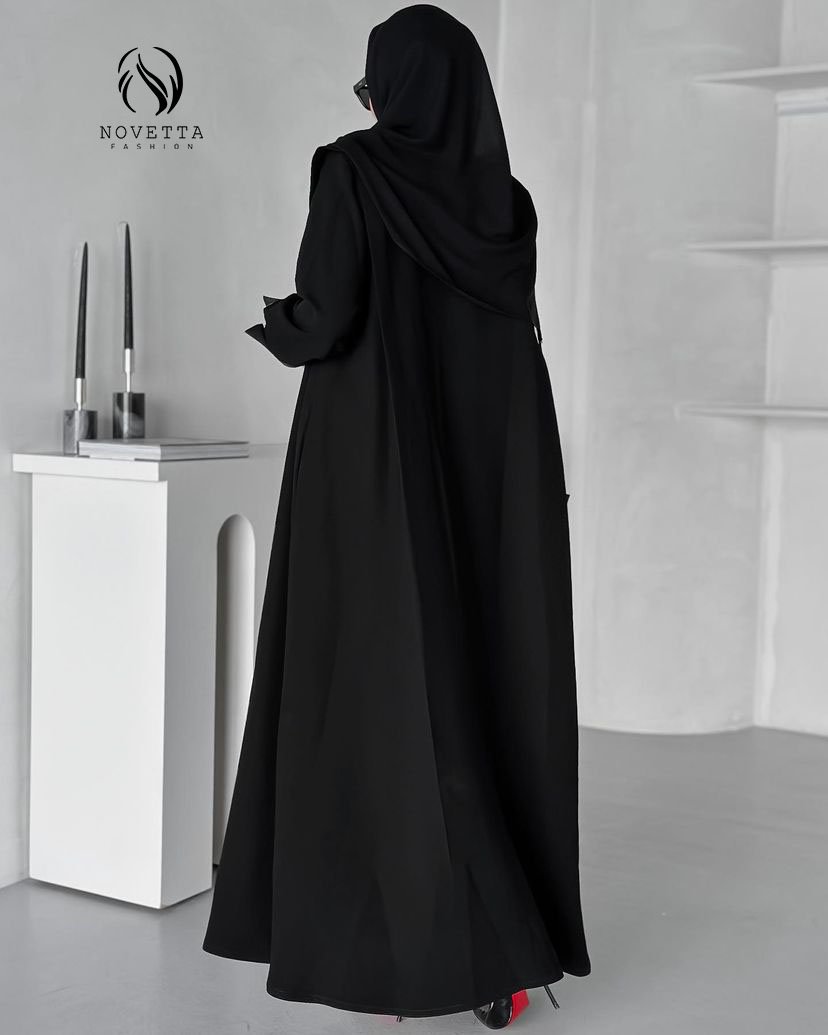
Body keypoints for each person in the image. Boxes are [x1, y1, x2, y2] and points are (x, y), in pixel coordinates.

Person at [202, 3, 591, 1025]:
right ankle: (500, 948)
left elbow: (328, 315)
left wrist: (276, 325)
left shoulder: (355, 171)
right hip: (487, 480)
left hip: (371, 472)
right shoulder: (505, 203)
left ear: (398, 87)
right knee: (478, 682)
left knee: (375, 688)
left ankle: (390, 938)